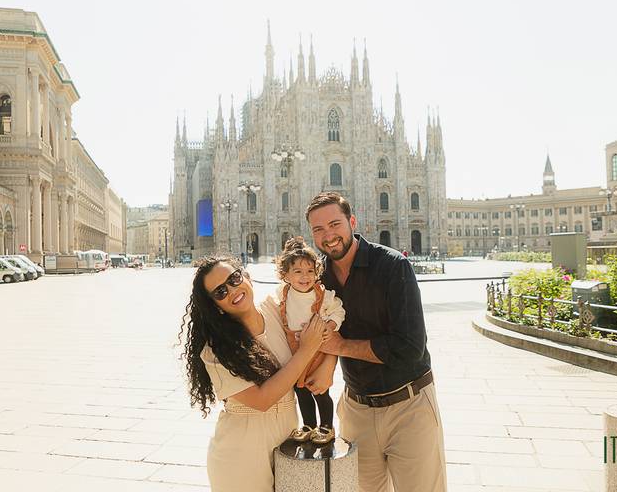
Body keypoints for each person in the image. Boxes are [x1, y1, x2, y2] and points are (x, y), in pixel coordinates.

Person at [304, 191, 447, 492]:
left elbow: (409, 348)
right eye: (319, 229)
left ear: (352, 222)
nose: (328, 236)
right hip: (356, 410)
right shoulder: (317, 277)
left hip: (408, 406)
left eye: (334, 224)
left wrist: (341, 348)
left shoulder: (393, 267)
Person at [179, 255, 329, 492]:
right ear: (214, 307)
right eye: (220, 292)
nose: (232, 290)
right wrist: (307, 351)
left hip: (288, 438)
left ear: (246, 277)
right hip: (242, 453)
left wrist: (328, 365)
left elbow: (327, 317)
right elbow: (262, 400)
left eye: (234, 279)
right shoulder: (216, 350)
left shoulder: (275, 309)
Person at [266, 236, 345, 444]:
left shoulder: (322, 295)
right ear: (286, 275)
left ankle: (326, 426)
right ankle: (309, 425)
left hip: (317, 352)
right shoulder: (282, 293)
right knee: (300, 391)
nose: (305, 276)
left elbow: (338, 311)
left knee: (319, 390)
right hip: (294, 352)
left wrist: (330, 325)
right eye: (298, 272)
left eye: (310, 271)